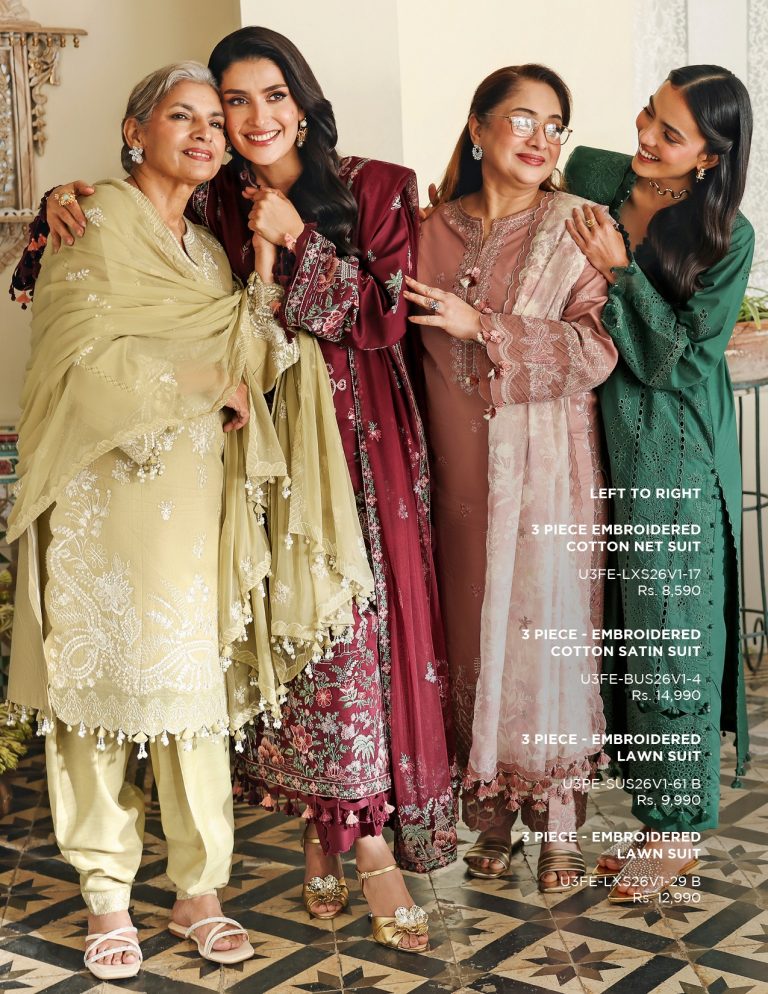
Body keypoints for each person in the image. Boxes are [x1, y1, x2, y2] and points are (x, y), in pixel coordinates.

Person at [28, 26, 455, 953]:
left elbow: (366, 319)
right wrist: (58, 200)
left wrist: (291, 244)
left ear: (303, 102)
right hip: (193, 471)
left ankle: (304, 857)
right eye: (226, 104)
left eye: (269, 97)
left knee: (287, 657)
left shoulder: (346, 195)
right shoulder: (178, 207)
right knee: (154, 671)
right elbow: (72, 307)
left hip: (326, 459)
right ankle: (147, 882)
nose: (241, 121)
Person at [404, 65, 617, 892]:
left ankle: (558, 821)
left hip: (548, 478)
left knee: (545, 632)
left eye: (554, 125)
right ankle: (489, 815)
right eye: (523, 119)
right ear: (477, 127)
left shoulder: (578, 227)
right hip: (452, 479)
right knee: (469, 637)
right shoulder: (425, 230)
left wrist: (483, 326)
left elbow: (595, 351)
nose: (540, 139)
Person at [563, 65, 753, 902]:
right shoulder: (597, 175)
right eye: (648, 113)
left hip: (671, 455)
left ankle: (677, 835)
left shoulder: (727, 236)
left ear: (709, 157)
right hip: (592, 435)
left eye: (670, 134)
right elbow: (519, 184)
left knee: (672, 637)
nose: (644, 136)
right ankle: (653, 822)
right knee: (627, 637)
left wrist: (622, 270)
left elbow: (682, 359)